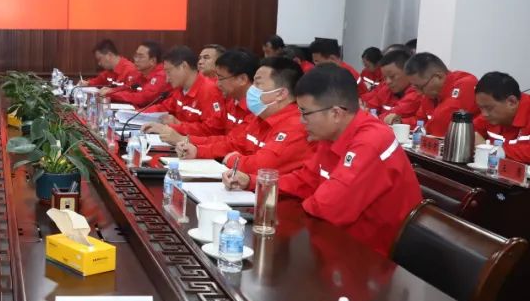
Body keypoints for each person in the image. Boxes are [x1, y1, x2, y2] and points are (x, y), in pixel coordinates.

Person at [226, 65, 422, 255]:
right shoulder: (332, 134)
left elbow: (329, 207)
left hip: (371, 257)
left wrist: (295, 210)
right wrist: (253, 181)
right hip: (336, 242)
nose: (301, 120)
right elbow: (305, 180)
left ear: (335, 113)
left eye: (305, 113)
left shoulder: (371, 141)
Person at [177, 56, 311, 178]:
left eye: (258, 84)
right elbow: (234, 144)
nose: (252, 89)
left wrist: (231, 159)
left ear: (280, 94)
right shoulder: (260, 116)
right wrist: (197, 150)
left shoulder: (295, 125)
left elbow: (262, 166)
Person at [143, 46, 224, 140]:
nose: (167, 79)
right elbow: (163, 108)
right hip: (180, 142)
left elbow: (211, 131)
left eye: (169, 72)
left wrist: (175, 126)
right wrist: (135, 114)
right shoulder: (180, 89)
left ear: (183, 66)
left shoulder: (210, 91)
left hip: (194, 145)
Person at [404, 52, 479, 136]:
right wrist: (400, 122)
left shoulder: (466, 84)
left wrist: (425, 128)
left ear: (438, 76)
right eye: (415, 88)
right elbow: (420, 121)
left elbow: (442, 125)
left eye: (420, 87)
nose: (419, 93)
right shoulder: (430, 94)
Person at [474, 72, 530, 162]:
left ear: (512, 102)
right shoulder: (489, 116)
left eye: (489, 108)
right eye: (480, 108)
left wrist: (490, 149)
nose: (484, 114)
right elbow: (472, 130)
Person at [363, 49, 421, 124]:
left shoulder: (416, 92)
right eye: (385, 77)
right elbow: (369, 107)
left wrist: (370, 118)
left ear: (408, 72)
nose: (388, 81)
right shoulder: (386, 89)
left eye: (392, 76)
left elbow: (393, 115)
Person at [103, 41, 167, 107]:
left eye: (140, 57)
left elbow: (142, 98)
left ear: (153, 61)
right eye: (136, 56)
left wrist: (112, 94)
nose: (136, 60)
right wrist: (111, 90)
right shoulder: (140, 73)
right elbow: (128, 88)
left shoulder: (161, 76)